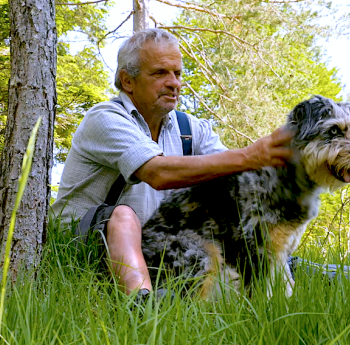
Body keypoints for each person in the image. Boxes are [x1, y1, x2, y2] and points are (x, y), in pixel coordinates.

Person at [51, 28, 293, 295]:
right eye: (159, 73)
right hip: (82, 252)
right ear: (127, 81)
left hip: (154, 252)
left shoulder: (190, 128)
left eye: (177, 74)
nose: (173, 82)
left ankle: (301, 278)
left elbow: (236, 180)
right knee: (122, 216)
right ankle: (142, 308)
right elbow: (157, 173)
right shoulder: (105, 119)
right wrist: (250, 155)